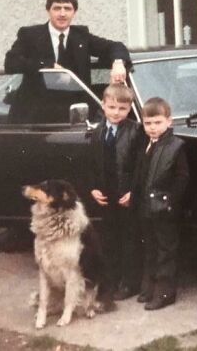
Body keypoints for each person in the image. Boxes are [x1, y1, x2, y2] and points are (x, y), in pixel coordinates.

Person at [4, 0, 131, 86]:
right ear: (48, 10)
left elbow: (115, 46)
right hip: (38, 108)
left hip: (75, 105)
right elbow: (10, 63)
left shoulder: (81, 35)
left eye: (67, 8)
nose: (62, 14)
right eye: (57, 8)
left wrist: (118, 63)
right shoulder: (30, 34)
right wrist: (48, 66)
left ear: (74, 12)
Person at [89, 84, 144, 300]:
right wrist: (93, 188)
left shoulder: (135, 131)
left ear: (129, 108)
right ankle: (111, 280)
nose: (116, 112)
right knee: (108, 239)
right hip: (106, 195)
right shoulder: (98, 132)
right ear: (103, 106)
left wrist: (133, 192)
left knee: (129, 239)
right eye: (111, 107)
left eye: (121, 108)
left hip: (126, 195)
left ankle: (130, 283)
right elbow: (92, 164)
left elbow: (141, 166)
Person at [134, 97, 189, 310]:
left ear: (169, 121)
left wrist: (170, 201)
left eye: (157, 123)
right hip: (147, 207)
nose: (152, 128)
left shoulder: (175, 146)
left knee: (166, 249)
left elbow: (182, 178)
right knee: (150, 247)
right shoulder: (147, 144)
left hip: (164, 208)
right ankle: (149, 286)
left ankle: (166, 292)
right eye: (148, 123)